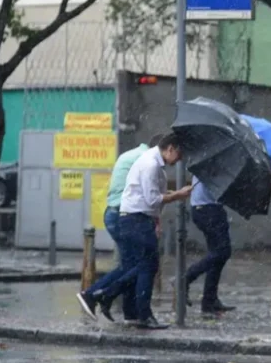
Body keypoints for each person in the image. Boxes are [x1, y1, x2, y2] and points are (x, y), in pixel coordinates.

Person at [76, 132, 192, 330]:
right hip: (135, 219)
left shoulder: (155, 165)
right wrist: (179, 195)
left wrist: (172, 196)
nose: (180, 159)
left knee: (138, 266)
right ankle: (121, 304)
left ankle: (113, 300)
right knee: (146, 266)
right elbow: (152, 200)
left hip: (138, 219)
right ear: (170, 148)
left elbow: (149, 194)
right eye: (180, 154)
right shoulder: (150, 164)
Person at [181, 175, 235, 314]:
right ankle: (186, 278)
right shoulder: (214, 167)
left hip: (208, 208)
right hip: (208, 209)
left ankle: (209, 301)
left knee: (217, 255)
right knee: (222, 251)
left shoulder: (213, 165)